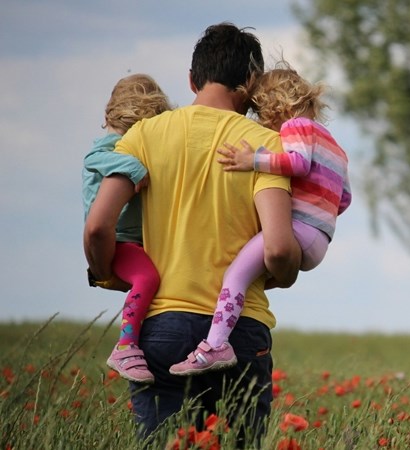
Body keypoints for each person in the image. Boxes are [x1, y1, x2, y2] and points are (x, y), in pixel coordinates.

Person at [84, 22, 301, 446]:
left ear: (191, 79)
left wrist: (106, 272)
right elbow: (277, 248)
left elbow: (97, 226)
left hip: (160, 327)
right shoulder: (265, 146)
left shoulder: (143, 136)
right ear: (251, 83)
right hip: (239, 332)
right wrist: (287, 271)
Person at [170, 64, 352, 376]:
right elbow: (344, 198)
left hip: (297, 230)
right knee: (250, 277)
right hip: (320, 239)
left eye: (262, 112)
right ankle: (226, 326)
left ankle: (215, 345)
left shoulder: (297, 127)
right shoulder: (336, 146)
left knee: (235, 276)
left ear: (278, 106)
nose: (263, 122)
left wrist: (251, 160)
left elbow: (296, 162)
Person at [82, 73, 171, 384]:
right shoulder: (110, 147)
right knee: (147, 277)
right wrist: (135, 167)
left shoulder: (123, 143)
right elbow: (95, 158)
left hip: (132, 240)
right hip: (119, 240)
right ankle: (126, 345)